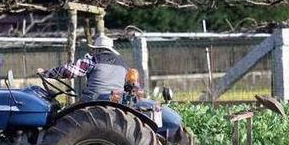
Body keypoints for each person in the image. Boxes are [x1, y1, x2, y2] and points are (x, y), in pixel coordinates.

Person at [41, 35, 183, 137]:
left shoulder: (92, 60)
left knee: (61, 121)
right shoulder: (123, 64)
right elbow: (134, 88)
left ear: (97, 49)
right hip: (117, 102)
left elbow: (69, 71)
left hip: (92, 102)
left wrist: (46, 73)